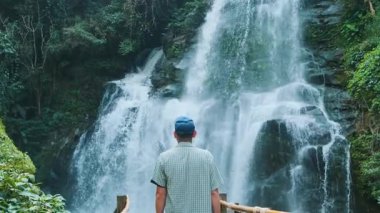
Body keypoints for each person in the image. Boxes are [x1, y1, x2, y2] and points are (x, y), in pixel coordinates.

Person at [151, 116, 224, 213]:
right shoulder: (207, 157)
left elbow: (160, 194)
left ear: (174, 134)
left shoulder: (163, 158)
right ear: (194, 134)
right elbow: (214, 193)